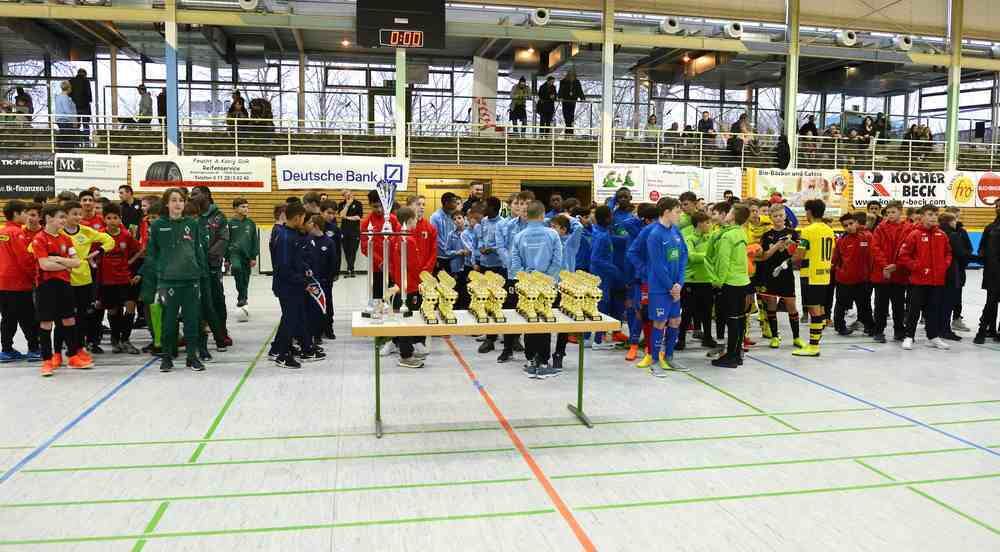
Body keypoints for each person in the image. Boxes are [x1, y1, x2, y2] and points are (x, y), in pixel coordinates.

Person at [627, 197, 688, 375]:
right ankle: (653, 357)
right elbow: (652, 261)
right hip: (660, 286)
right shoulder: (652, 232)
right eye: (677, 211)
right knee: (658, 320)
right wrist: (648, 273)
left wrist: (679, 284)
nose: (680, 214)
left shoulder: (676, 231)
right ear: (667, 212)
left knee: (676, 320)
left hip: (675, 286)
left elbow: (683, 256)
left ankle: (668, 357)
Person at [31, 204, 91, 376]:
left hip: (65, 284)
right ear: (49, 218)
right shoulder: (39, 239)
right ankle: (47, 360)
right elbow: (44, 265)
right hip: (45, 286)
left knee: (69, 319)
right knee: (46, 322)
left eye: (65, 217)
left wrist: (56, 259)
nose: (64, 221)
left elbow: (77, 262)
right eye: (61, 217)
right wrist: (64, 263)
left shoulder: (66, 239)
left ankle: (72, 356)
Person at [510, 200, 563, 378]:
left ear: (527, 215)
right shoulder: (553, 235)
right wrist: (546, 279)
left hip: (527, 286)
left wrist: (527, 279)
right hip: (547, 285)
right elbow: (557, 262)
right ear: (542, 215)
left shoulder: (519, 236)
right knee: (544, 321)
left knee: (530, 320)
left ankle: (530, 360)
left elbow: (515, 265)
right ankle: (542, 362)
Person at [898, 205, 952, 351]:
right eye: (929, 214)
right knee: (914, 310)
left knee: (933, 310)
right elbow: (903, 255)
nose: (933, 217)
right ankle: (909, 336)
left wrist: (944, 265)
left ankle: (933, 337)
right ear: (922, 217)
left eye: (935, 214)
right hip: (919, 281)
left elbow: (948, 253)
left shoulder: (942, 235)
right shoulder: (914, 234)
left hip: (937, 281)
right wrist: (916, 267)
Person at [268, 202, 313, 369]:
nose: (304, 220)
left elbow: (296, 261)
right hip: (287, 286)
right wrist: (302, 281)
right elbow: (284, 267)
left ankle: (280, 348)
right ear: (297, 218)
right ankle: (282, 355)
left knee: (290, 318)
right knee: (290, 320)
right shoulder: (286, 237)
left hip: (293, 284)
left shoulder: (290, 233)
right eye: (303, 218)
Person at [791, 199, 835, 357]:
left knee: (813, 310)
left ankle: (814, 346)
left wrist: (790, 255)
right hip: (824, 273)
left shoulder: (808, 230)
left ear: (809, 212)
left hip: (810, 274)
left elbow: (799, 256)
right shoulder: (829, 230)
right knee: (820, 308)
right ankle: (816, 337)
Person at [709, 204, 751, 368]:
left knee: (732, 320)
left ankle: (731, 357)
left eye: (730, 212)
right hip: (743, 281)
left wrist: (718, 281)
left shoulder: (728, 237)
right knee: (739, 320)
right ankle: (736, 354)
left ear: (733, 216)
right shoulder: (741, 232)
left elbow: (723, 261)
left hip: (730, 282)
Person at [98, 203, 142, 354]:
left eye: (115, 218)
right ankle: (115, 339)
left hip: (125, 278)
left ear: (120, 219)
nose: (111, 221)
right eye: (108, 218)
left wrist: (129, 263)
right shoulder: (100, 236)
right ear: (104, 219)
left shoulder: (126, 235)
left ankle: (126, 339)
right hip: (108, 280)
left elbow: (139, 251)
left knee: (130, 305)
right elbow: (92, 254)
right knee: (113, 309)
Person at [386, 206, 427, 369]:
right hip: (409, 287)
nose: (418, 220)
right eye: (416, 217)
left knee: (404, 320)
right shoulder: (407, 240)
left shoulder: (397, 238)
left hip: (400, 284)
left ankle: (406, 351)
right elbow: (413, 265)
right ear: (410, 220)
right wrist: (421, 281)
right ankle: (406, 356)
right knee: (407, 321)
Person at [190, 186, 231, 350]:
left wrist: (206, 257)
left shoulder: (219, 216)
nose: (192, 196)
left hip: (212, 265)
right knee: (198, 303)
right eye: (191, 194)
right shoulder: (192, 215)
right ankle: (199, 336)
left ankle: (222, 332)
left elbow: (223, 239)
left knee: (217, 299)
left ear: (206, 195)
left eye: (195, 194)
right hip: (194, 267)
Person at [757, 204, 802, 349]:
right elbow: (764, 256)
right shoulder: (766, 235)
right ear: (770, 218)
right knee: (771, 304)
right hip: (769, 273)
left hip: (786, 274)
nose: (778, 218)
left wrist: (789, 247)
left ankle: (796, 338)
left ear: (785, 216)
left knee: (791, 305)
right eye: (775, 216)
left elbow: (796, 256)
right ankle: (775, 336)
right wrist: (777, 245)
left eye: (781, 215)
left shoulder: (793, 233)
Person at [0, 201, 40, 362]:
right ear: (16, 214)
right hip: (19, 283)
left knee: (8, 318)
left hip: (3, 283)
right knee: (28, 317)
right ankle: (34, 349)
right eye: (25, 212)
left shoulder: (2, 231)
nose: (27, 216)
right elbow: (25, 259)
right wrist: (35, 277)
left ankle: (7, 349)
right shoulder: (18, 233)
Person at [870, 201, 911, 343]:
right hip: (882, 273)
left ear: (900, 212)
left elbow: (908, 249)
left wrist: (897, 266)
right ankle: (878, 331)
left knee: (898, 305)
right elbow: (875, 248)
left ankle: (899, 331)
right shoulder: (880, 228)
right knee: (880, 305)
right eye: (887, 213)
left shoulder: (908, 228)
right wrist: (886, 266)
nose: (890, 215)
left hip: (899, 273)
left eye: (893, 212)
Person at [831, 212, 875, 336]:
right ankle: (840, 327)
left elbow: (873, 257)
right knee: (841, 305)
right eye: (845, 225)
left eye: (851, 223)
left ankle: (870, 326)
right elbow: (836, 260)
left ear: (857, 223)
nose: (849, 227)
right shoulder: (841, 241)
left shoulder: (867, 237)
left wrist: (870, 275)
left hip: (863, 280)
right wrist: (838, 272)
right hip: (844, 280)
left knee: (865, 305)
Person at [549, 212, 584, 366]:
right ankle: (542, 353)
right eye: (550, 226)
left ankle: (559, 353)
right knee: (548, 319)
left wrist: (568, 216)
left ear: (563, 229)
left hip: (566, 286)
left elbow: (579, 227)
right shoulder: (549, 242)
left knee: (563, 321)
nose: (551, 229)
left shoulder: (570, 242)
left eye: (554, 227)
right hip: (550, 285)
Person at [304, 215, 337, 352]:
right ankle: (315, 334)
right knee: (312, 308)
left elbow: (333, 262)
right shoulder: (307, 240)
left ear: (316, 225)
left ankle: (327, 329)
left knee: (326, 305)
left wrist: (330, 277)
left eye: (310, 223)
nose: (307, 225)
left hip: (325, 281)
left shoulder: (329, 242)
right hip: (311, 281)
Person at [938, 212, 969, 341]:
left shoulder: (937, 233)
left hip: (939, 272)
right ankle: (945, 330)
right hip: (951, 271)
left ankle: (939, 328)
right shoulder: (953, 235)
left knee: (939, 302)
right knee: (948, 302)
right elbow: (960, 253)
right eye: (955, 220)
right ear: (950, 221)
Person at [974, 203, 1000, 344]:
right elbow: (982, 248)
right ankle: (983, 330)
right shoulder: (990, 228)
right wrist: (983, 257)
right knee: (991, 303)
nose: (998, 208)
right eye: (996, 206)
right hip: (992, 272)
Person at [945, 207, 973, 332]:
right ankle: (940, 321)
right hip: (945, 269)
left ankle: (956, 319)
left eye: (957, 217)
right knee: (942, 297)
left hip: (958, 269)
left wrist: (962, 257)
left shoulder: (962, 231)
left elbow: (969, 249)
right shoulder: (941, 231)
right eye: (953, 217)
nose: (955, 219)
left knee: (957, 295)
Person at [228, 198, 259, 310]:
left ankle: (243, 297)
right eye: (243, 207)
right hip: (234, 253)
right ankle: (242, 296)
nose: (246, 209)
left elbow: (254, 240)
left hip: (247, 255)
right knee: (236, 268)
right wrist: (227, 259)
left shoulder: (250, 223)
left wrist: (254, 256)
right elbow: (227, 240)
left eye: (247, 206)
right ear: (235, 209)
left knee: (245, 278)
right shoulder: (230, 223)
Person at [431, 192, 460, 274]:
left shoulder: (452, 216)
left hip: (453, 255)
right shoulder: (435, 217)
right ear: (446, 203)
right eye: (454, 202)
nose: (456, 204)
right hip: (441, 256)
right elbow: (436, 237)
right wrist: (447, 250)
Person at [337, 190, 363, 277]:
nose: (348, 196)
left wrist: (347, 217)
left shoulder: (358, 204)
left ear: (352, 194)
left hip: (355, 231)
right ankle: (350, 269)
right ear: (344, 196)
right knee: (346, 250)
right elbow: (341, 215)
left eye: (349, 194)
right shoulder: (342, 204)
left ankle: (350, 269)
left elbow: (358, 217)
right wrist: (347, 205)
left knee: (353, 250)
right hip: (344, 231)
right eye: (345, 195)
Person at [558, 70, 585, 135]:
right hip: (565, 100)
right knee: (566, 114)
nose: (571, 77)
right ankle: (567, 129)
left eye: (572, 75)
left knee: (571, 115)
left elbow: (579, 90)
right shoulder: (563, 81)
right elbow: (560, 90)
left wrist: (582, 97)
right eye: (570, 75)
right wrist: (560, 97)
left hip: (573, 100)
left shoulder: (577, 82)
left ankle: (570, 130)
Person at [54, 81, 78, 149]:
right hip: (65, 120)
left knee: (63, 137)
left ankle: (62, 149)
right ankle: (67, 151)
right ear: (69, 88)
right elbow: (67, 110)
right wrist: (74, 120)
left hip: (59, 120)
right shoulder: (65, 97)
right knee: (68, 139)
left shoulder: (58, 97)